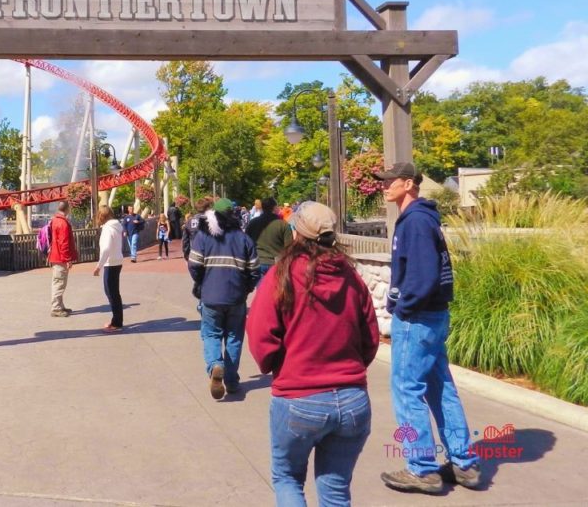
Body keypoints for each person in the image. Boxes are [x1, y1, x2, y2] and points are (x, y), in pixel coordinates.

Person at [248, 201, 379, 506]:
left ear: (296, 233)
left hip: (299, 395)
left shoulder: (281, 274)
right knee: (335, 489)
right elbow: (370, 336)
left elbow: (260, 336)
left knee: (287, 478)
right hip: (352, 399)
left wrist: (273, 363)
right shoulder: (350, 276)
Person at [375, 161, 480, 494]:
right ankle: (463, 463)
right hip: (433, 315)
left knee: (408, 389)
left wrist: (403, 308)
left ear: (408, 184)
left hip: (418, 318)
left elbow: (424, 274)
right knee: (440, 387)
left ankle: (422, 468)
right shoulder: (423, 218)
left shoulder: (415, 221)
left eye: (390, 181)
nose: (384, 186)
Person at [187, 198, 259, 400]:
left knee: (211, 335)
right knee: (234, 337)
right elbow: (254, 270)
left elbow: (193, 265)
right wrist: (247, 288)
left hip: (210, 296)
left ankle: (215, 365)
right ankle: (232, 380)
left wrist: (202, 283)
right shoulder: (244, 238)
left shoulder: (203, 237)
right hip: (236, 296)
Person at [92, 205, 125, 332]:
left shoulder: (107, 229)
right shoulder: (116, 227)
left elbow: (106, 249)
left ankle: (117, 322)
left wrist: (98, 266)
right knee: (114, 293)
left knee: (111, 293)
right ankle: (116, 320)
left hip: (110, 263)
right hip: (117, 261)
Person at [246, 197, 294, 280]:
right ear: (275, 208)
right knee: (274, 291)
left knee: (261, 290)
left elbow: (246, 242)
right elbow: (289, 247)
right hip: (276, 263)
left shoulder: (253, 223)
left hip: (258, 261)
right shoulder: (283, 225)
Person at [47, 201, 78, 317]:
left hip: (55, 255)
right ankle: (56, 308)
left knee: (58, 282)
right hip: (60, 257)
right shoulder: (63, 223)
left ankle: (60, 305)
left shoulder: (54, 220)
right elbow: (64, 243)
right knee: (59, 283)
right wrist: (67, 259)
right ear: (67, 209)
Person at [182, 197, 211, 261]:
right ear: (207, 208)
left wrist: (186, 254)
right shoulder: (211, 221)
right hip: (209, 254)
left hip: (194, 254)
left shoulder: (189, 222)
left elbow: (185, 241)